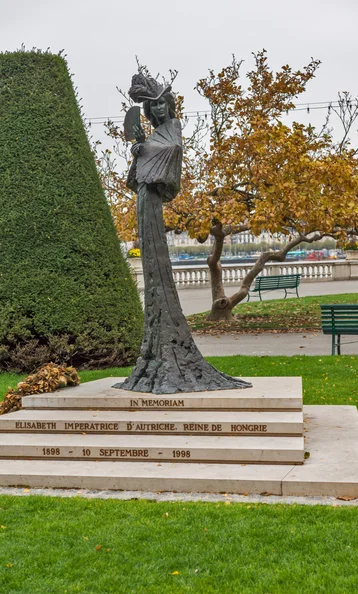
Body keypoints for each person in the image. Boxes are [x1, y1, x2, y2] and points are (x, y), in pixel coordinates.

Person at [114, 72, 250, 394]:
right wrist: (137, 150)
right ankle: (155, 351)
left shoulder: (171, 130)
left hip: (154, 199)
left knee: (158, 264)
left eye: (162, 102)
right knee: (150, 262)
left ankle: (171, 349)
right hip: (144, 199)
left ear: (169, 104)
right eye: (154, 105)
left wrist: (145, 150)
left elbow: (172, 153)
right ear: (148, 111)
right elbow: (136, 178)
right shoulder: (152, 134)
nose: (159, 109)